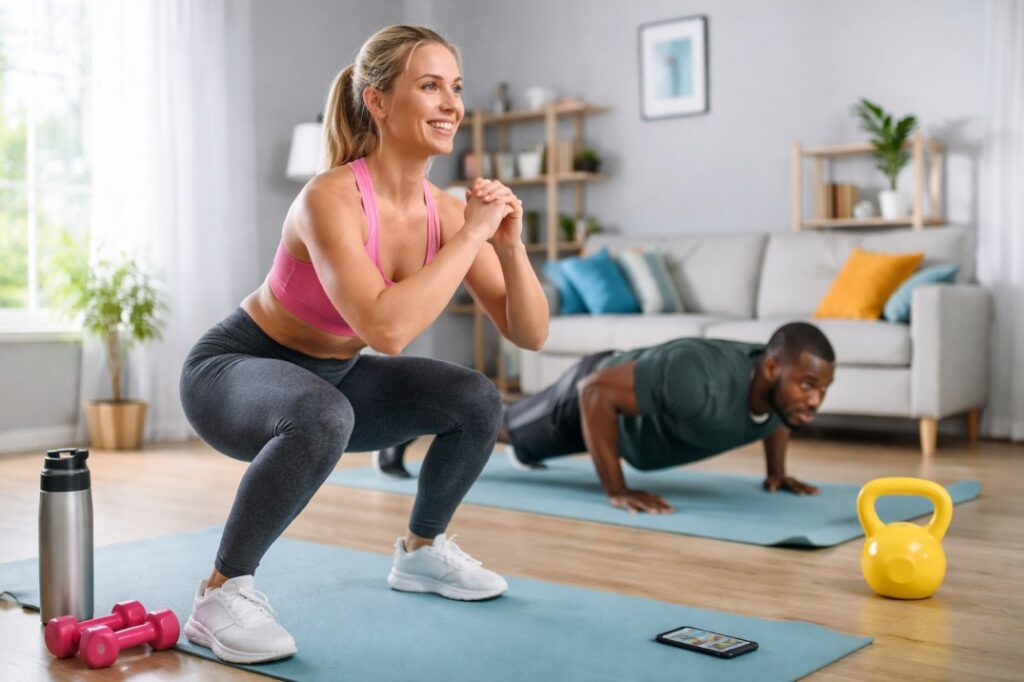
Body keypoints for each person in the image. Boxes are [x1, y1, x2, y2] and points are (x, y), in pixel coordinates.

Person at [178, 25, 548, 664]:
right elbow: (388, 330)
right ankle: (219, 594)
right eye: (429, 86)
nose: (451, 105)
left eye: (455, 88)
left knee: (476, 399)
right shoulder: (331, 197)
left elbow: (531, 332)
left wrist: (509, 246)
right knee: (323, 414)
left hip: (333, 376)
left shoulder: (447, 212)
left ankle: (423, 553)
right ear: (377, 101)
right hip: (235, 370)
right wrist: (473, 234)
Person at [376, 322, 835, 515]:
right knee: (502, 426)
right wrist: (617, 489)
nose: (814, 401)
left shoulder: (777, 394)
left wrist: (778, 473)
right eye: (808, 386)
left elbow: (777, 417)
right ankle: (403, 419)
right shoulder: (698, 376)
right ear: (771, 369)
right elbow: (595, 392)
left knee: (517, 434)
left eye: (822, 390)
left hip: (623, 415)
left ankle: (525, 445)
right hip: (592, 392)